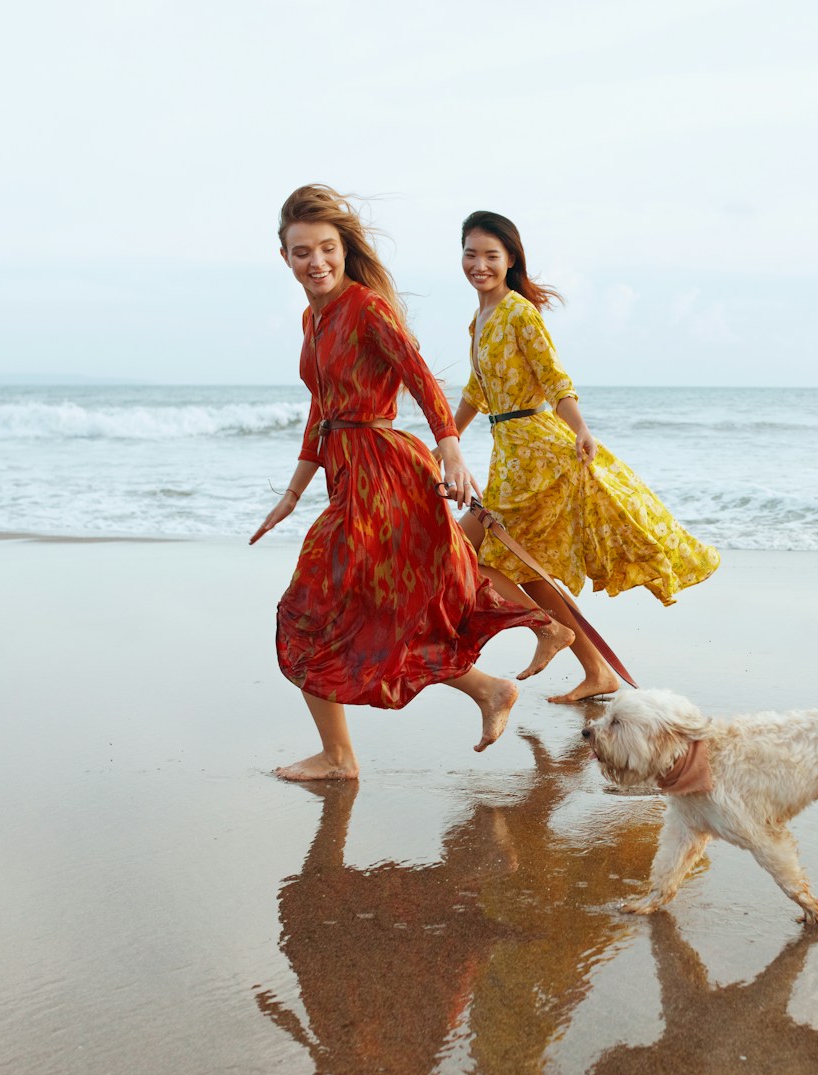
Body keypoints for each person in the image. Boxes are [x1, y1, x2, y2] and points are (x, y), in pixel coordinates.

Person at [251, 186, 572, 780]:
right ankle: (485, 690)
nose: (315, 262)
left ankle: (342, 755)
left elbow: (420, 379)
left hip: (387, 473)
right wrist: (292, 493)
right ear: (285, 258)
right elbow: (320, 410)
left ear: (344, 251)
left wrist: (450, 449)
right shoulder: (311, 318)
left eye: (326, 248)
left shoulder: (366, 308)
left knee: (310, 609)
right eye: (302, 252)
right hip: (348, 476)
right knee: (381, 607)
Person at [455, 210, 719, 703]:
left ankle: (549, 629)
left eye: (491, 255)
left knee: (477, 555)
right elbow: (476, 389)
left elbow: (555, 379)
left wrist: (580, 428)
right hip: (510, 454)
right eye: (471, 253)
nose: (480, 264)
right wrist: (446, 440)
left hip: (538, 451)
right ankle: (593, 667)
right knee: (521, 565)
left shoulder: (519, 313)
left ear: (511, 260)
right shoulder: (479, 319)